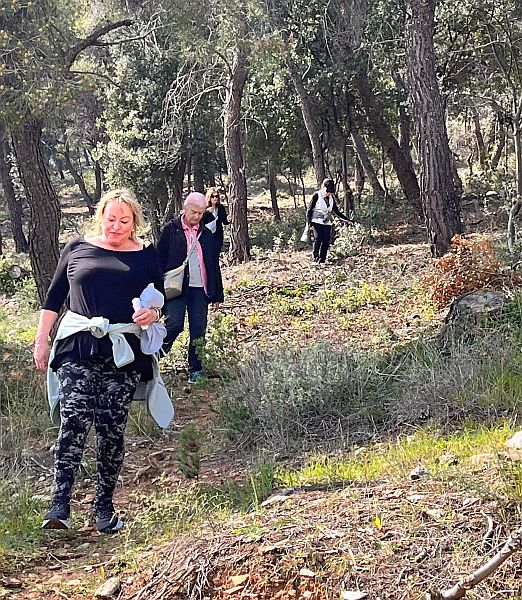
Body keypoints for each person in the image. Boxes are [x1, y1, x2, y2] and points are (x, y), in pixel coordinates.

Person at [34, 189, 168, 533]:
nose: (116, 226)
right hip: (77, 345)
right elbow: (53, 298)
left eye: (124, 220)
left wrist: (152, 314)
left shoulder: (146, 254)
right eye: (111, 219)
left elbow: (160, 299)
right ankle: (59, 506)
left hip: (124, 351)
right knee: (74, 417)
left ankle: (104, 508)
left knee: (111, 427)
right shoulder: (77, 248)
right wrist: (41, 341)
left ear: (134, 222)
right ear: (100, 217)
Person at [157, 192, 224, 384]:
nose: (197, 216)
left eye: (201, 213)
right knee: (174, 325)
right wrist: (156, 287)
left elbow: (213, 264)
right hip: (176, 287)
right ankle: (152, 359)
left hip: (200, 288)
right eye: (194, 212)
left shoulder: (207, 234)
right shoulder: (172, 229)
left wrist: (217, 294)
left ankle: (196, 369)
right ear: (185, 209)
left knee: (198, 329)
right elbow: (159, 259)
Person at [307, 178, 351, 264]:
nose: (328, 193)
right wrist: (309, 223)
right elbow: (309, 210)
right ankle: (315, 257)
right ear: (323, 187)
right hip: (316, 220)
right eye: (327, 191)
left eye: (330, 192)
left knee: (326, 240)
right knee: (318, 238)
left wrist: (347, 220)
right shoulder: (317, 195)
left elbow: (337, 212)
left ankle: (322, 260)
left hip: (326, 221)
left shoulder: (331, 199)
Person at [204, 187, 231, 254]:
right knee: (208, 255)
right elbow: (200, 221)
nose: (215, 198)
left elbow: (224, 221)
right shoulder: (204, 208)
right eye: (212, 196)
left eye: (216, 196)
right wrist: (206, 212)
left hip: (218, 235)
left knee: (216, 254)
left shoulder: (220, 207)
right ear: (209, 197)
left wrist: (228, 219)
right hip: (207, 235)